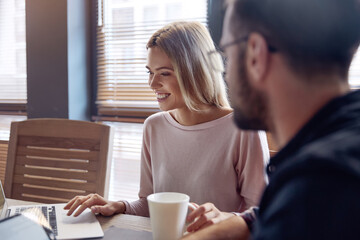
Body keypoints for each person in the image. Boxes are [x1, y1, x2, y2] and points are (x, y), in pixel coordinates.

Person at [64, 21, 270, 232]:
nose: (152, 84)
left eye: (164, 73)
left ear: (195, 71)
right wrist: (119, 206)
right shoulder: (154, 126)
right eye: (149, 72)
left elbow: (263, 214)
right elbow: (148, 205)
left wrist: (224, 218)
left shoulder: (243, 129)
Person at [182, 0, 360, 239]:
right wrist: (235, 225)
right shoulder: (342, 139)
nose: (225, 72)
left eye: (227, 54)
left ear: (255, 54)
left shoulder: (317, 187)